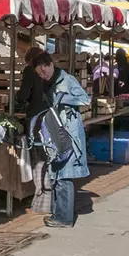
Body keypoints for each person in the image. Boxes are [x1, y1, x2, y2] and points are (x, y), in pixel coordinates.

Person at [25, 52, 91, 228]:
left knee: (64, 175)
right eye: (39, 74)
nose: (42, 75)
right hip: (55, 132)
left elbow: (85, 100)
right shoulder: (48, 83)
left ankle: (64, 218)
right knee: (57, 174)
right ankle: (60, 213)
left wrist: (64, 99)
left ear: (48, 64)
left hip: (67, 133)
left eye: (42, 72)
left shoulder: (67, 80)